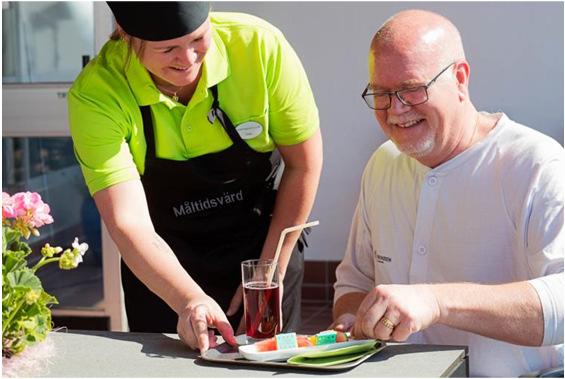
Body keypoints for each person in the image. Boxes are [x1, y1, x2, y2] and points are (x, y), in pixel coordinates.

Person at [68, 2, 322, 353]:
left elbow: (303, 164)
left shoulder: (260, 46)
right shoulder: (98, 93)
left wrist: (269, 272)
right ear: (127, 37)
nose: (187, 59)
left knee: (271, 362)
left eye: (198, 39)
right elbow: (129, 222)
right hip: (163, 256)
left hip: (262, 243)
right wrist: (187, 298)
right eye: (167, 49)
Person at [332, 9, 563, 377]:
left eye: (411, 89)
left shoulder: (534, 163)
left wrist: (437, 301)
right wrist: (352, 320)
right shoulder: (383, 163)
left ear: (459, 78)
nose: (396, 110)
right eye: (381, 93)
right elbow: (355, 281)